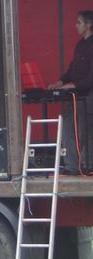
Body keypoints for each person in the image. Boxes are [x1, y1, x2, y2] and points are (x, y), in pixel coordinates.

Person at [47, 10, 93, 174]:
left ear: (89, 24)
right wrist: (60, 82)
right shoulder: (80, 45)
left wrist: (74, 85)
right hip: (74, 95)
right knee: (68, 129)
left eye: (79, 22)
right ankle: (71, 165)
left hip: (88, 96)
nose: (76, 26)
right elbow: (72, 69)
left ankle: (87, 165)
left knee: (85, 131)